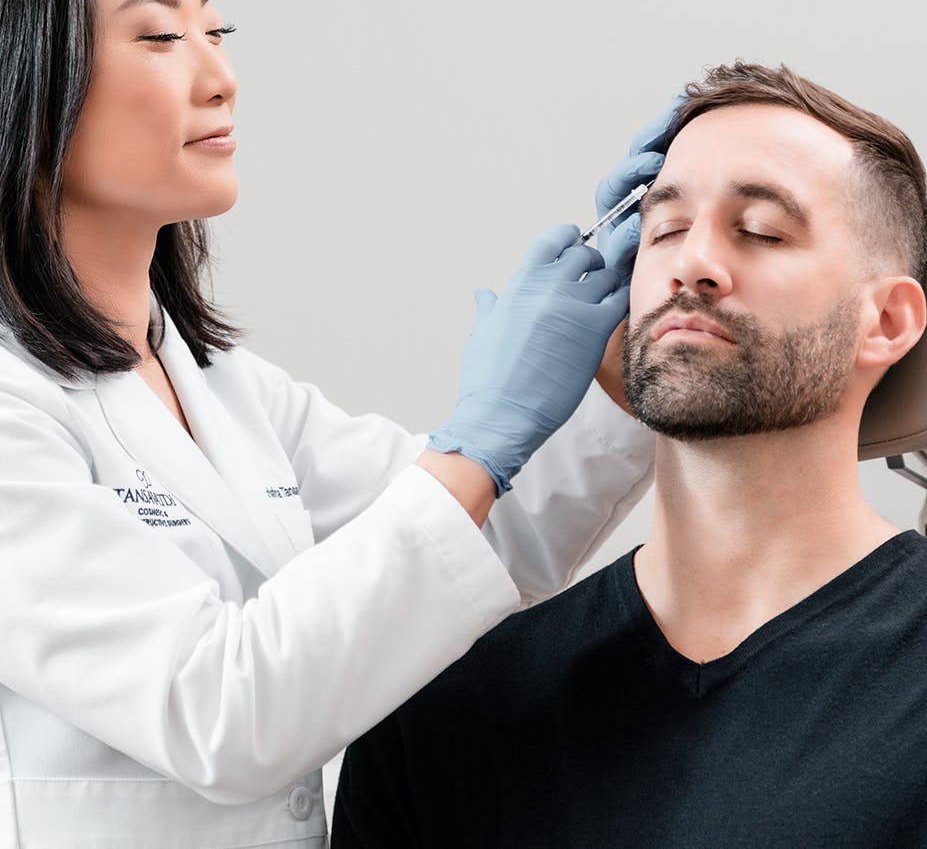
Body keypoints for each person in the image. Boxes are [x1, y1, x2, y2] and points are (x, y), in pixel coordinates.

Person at [0, 0, 662, 848]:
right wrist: (476, 437)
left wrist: (617, 370)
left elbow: (478, 546)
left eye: (214, 31)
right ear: (25, 76)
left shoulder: (224, 390)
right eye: (160, 36)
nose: (219, 76)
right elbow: (220, 712)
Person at [332, 61, 927, 848]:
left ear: (884, 319)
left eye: (759, 230)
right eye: (664, 229)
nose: (693, 262)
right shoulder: (450, 703)